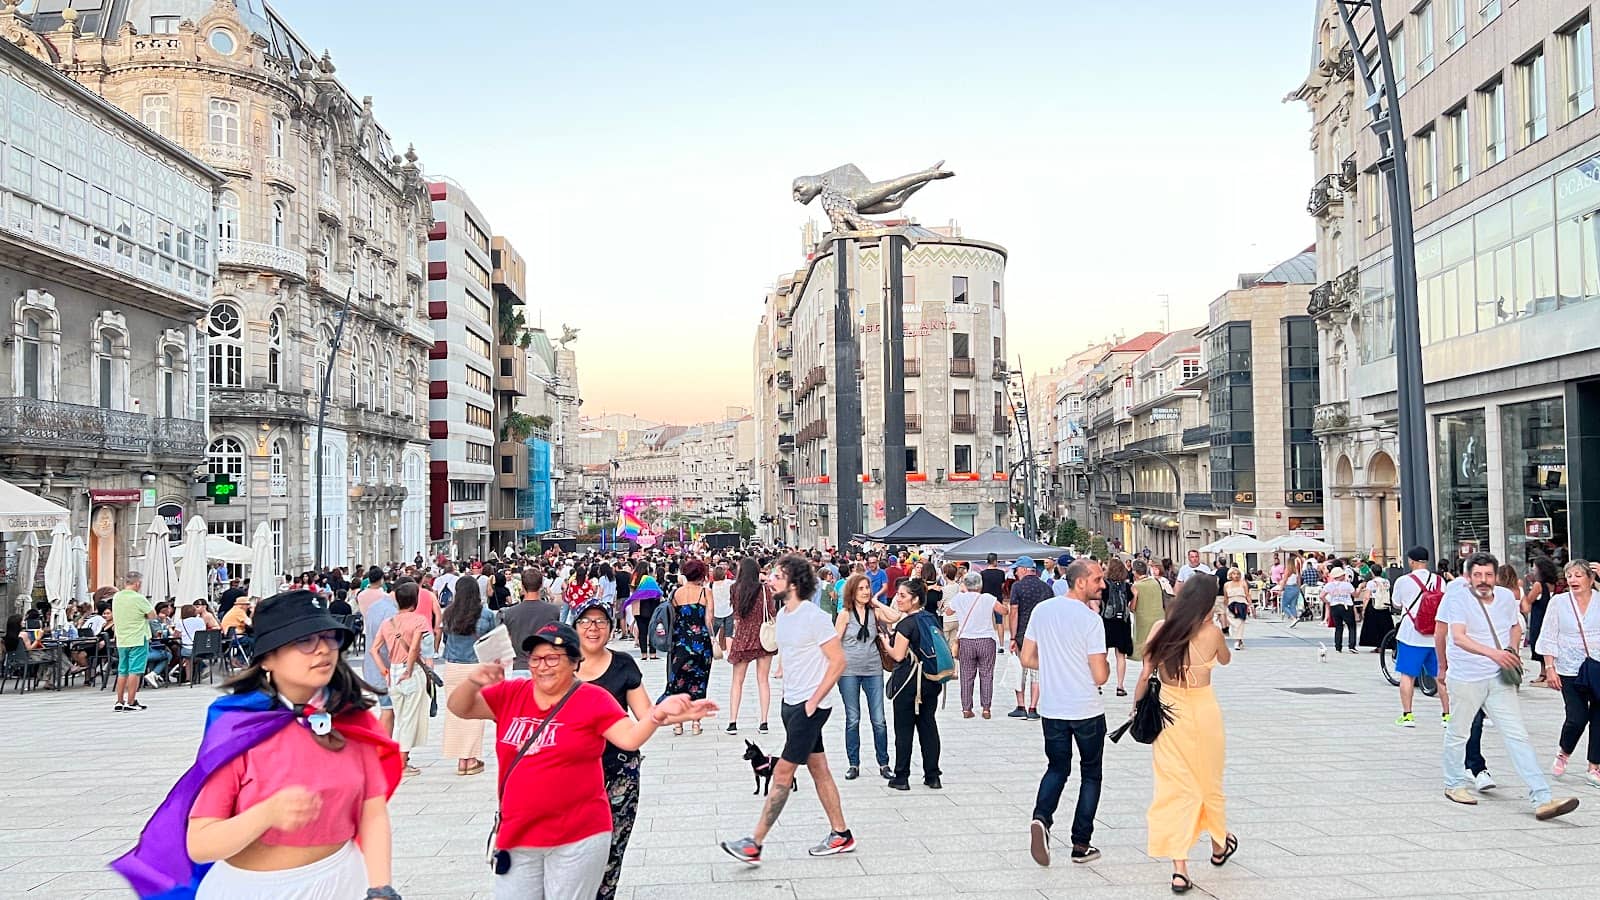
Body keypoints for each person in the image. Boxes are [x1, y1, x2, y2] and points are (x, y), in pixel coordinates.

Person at [110, 589, 402, 900]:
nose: (323, 650)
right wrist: (266, 814)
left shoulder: (352, 722)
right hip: (255, 889)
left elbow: (373, 812)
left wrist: (380, 888)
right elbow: (200, 844)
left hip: (345, 881)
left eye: (330, 637)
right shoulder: (241, 730)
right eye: (305, 640)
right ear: (267, 659)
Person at [449, 622, 713, 899]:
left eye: (552, 658)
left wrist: (657, 716)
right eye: (536, 659)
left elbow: (629, 738)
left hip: (577, 836)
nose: (542, 667)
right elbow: (461, 708)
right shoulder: (512, 693)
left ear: (574, 662)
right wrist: (473, 681)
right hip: (517, 834)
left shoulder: (593, 699)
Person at [720, 554, 854, 865]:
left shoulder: (814, 617)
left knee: (781, 772)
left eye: (777, 576)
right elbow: (793, 653)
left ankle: (754, 843)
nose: (769, 579)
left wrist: (814, 699)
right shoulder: (783, 616)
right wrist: (783, 672)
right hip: (791, 703)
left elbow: (838, 662)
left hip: (811, 706)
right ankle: (841, 833)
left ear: (793, 583)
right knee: (820, 770)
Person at [1439, 553, 1578, 820]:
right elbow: (1457, 637)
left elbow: (1515, 626)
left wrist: (1511, 648)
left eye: (1488, 575)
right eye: (1477, 575)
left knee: (1517, 734)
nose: (1483, 580)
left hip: (1498, 678)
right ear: (1468, 577)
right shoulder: (1458, 598)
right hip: (1467, 676)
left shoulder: (1504, 597)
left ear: (1496, 576)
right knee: (1459, 731)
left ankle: (1542, 797)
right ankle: (1454, 784)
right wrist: (1493, 654)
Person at [1137, 574, 1236, 894]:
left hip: (1169, 711)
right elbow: (1225, 659)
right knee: (1209, 780)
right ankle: (1219, 843)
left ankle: (1179, 868)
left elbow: (1144, 675)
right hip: (1204, 712)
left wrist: (1137, 709)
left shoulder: (1159, 630)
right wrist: (1218, 621)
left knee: (1174, 786)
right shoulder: (1212, 633)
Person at [1023, 558, 1109, 868]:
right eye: (1098, 579)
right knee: (1091, 773)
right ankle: (1081, 843)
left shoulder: (1043, 611)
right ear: (1081, 581)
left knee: (1057, 768)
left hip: (1053, 708)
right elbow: (1100, 676)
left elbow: (1026, 657)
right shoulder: (1090, 620)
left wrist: (1054, 667)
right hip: (1086, 706)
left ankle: (1041, 818)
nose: (1102, 584)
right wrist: (1103, 667)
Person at [572, 600, 651, 900]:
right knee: (572, 851)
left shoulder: (623, 665)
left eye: (601, 622)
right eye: (586, 622)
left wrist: (671, 714)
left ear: (611, 626)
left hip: (618, 772)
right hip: (572, 774)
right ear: (575, 626)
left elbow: (645, 715)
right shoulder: (562, 665)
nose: (593, 628)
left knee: (611, 850)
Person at [1536, 559, 1600, 788]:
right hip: (1569, 668)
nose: (1572, 580)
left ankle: (1594, 766)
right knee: (1577, 716)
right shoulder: (1559, 602)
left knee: (1599, 718)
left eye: (1578, 575)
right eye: (1569, 575)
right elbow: (1549, 635)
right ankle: (1564, 751)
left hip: (1598, 666)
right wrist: (1550, 667)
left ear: (1591, 579)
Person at [880, 577, 943, 790]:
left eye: (903, 595)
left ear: (915, 599)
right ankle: (933, 775)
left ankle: (901, 776)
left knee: (904, 730)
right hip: (931, 681)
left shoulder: (906, 624)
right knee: (928, 727)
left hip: (908, 683)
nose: (898, 599)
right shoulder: (931, 618)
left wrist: (884, 642)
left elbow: (898, 655)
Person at [834, 572, 895, 780]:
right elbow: (835, 643)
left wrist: (876, 601)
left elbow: (895, 617)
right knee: (853, 719)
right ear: (852, 591)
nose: (865, 592)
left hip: (873, 669)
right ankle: (854, 764)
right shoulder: (844, 614)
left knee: (879, 719)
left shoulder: (874, 613)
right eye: (860, 588)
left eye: (867, 588)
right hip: (849, 671)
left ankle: (884, 763)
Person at [370, 582, 432, 776]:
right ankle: (402, 761)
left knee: (400, 715)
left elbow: (374, 649)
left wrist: (384, 670)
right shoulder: (419, 620)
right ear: (415, 600)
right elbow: (414, 648)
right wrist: (410, 668)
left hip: (393, 670)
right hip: (409, 670)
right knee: (410, 718)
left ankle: (398, 757)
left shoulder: (388, 622)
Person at [439, 576, 496, 775]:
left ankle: (460, 759)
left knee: (455, 713)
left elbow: (446, 639)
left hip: (452, 666)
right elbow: (491, 641)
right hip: (474, 666)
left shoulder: (449, 613)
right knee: (474, 714)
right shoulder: (486, 614)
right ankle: (470, 759)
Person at [1393, 547, 1448, 728]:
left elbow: (1396, 603)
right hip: (1437, 636)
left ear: (1411, 561)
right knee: (1441, 676)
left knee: (1407, 675)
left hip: (1411, 634)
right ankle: (1447, 715)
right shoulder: (1440, 580)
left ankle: (1408, 715)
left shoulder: (1403, 581)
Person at [660, 558, 715, 735]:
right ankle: (696, 723)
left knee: (679, 684)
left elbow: (673, 618)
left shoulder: (676, 593)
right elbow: (709, 620)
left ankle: (678, 724)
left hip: (681, 644)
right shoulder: (705, 593)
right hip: (701, 644)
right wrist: (713, 639)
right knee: (699, 684)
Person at [724, 557, 775, 736]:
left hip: (743, 636)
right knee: (763, 680)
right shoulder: (764, 589)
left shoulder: (734, 589)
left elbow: (736, 614)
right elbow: (771, 612)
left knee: (737, 681)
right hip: (762, 636)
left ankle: (732, 721)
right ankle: (764, 721)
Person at [947, 570, 1005, 718]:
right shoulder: (987, 598)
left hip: (966, 640)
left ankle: (966, 709)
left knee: (966, 676)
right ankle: (986, 709)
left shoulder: (959, 598)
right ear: (980, 585)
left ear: (965, 584)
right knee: (986, 675)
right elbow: (1003, 611)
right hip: (986, 640)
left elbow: (948, 612)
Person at [1006, 556, 1051, 719]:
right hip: (1042, 635)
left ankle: (1021, 705)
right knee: (1036, 671)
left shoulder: (1017, 587)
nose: (1015, 573)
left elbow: (1014, 612)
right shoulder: (1046, 587)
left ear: (1024, 569)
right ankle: (1033, 707)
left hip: (1022, 634)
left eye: (1016, 570)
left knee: (1020, 670)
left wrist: (1012, 637)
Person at [112, 571, 156, 712]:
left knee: (122, 670)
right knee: (135, 671)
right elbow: (152, 615)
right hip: (138, 638)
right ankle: (131, 701)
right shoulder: (138, 598)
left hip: (122, 639)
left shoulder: (117, 597)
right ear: (137, 583)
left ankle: (119, 701)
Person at [501, 573, 559, 679]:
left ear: (522, 586)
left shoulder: (510, 613)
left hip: (519, 667)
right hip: (545, 666)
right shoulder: (553, 611)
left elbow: (508, 641)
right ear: (541, 585)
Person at [1100, 559, 1136, 691]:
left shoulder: (1104, 585)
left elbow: (1099, 605)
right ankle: (1120, 686)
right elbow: (1132, 607)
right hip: (1123, 623)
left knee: (1102, 655)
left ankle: (1099, 684)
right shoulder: (1127, 587)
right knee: (1121, 656)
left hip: (1106, 623)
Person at [1523, 556, 1560, 683]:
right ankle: (1545, 672)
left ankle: (1543, 673)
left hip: (1538, 616)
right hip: (1547, 614)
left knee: (1537, 642)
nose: (1532, 569)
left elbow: (1529, 600)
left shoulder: (1538, 585)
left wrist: (1527, 586)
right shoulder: (1551, 584)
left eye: (1534, 567)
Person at [1130, 559, 1164, 661]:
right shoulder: (1155, 582)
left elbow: (1132, 608)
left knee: (1145, 649)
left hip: (1143, 622)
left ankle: (1147, 671)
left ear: (1135, 572)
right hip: (1159, 618)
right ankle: (1155, 671)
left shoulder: (1136, 586)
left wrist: (1134, 596)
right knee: (1156, 646)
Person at [1356, 565, 1394, 652]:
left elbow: (1367, 596)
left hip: (1374, 605)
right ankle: (1388, 644)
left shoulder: (1371, 583)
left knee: (1374, 626)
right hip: (1384, 605)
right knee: (1385, 625)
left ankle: (1378, 645)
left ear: (1372, 572)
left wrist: (1364, 608)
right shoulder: (1386, 581)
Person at [1322, 567, 1358, 653]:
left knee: (1338, 627)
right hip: (1346, 605)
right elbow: (1355, 595)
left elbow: (1321, 596)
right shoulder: (1347, 584)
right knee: (1351, 626)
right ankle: (1351, 645)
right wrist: (1359, 589)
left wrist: (1328, 602)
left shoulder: (1329, 585)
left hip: (1334, 605)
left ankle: (1338, 647)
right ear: (1341, 576)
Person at [710, 564, 735, 655]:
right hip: (728, 610)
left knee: (713, 634)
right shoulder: (728, 583)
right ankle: (729, 652)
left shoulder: (712, 585)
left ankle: (711, 650)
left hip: (717, 612)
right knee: (729, 634)